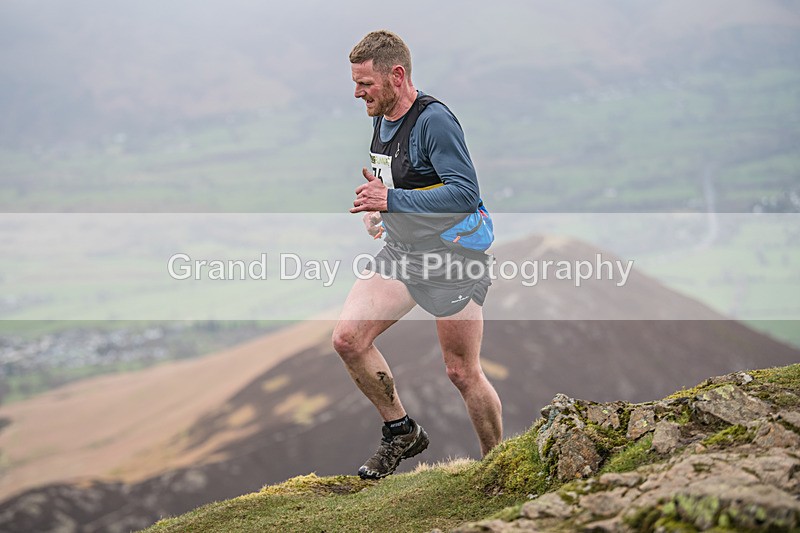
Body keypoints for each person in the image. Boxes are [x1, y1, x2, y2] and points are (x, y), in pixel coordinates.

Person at [333, 30, 503, 480]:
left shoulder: (435, 121)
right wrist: (380, 211)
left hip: (452, 257)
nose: (357, 92)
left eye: (365, 83)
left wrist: (392, 202)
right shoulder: (382, 114)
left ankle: (498, 466)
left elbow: (465, 194)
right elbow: (401, 186)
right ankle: (400, 431)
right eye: (355, 83)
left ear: (397, 75)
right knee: (348, 340)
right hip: (403, 252)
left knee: (462, 372)